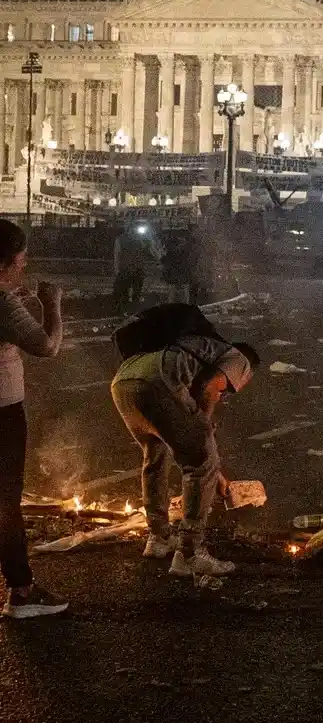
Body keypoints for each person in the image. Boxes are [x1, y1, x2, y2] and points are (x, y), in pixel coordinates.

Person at [110, 328, 258, 577]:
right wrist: (204, 429)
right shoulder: (239, 359)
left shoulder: (200, 351)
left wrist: (213, 468)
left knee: (155, 454)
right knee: (201, 462)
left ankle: (158, 538)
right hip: (159, 382)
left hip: (124, 382)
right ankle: (190, 554)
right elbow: (211, 388)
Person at [0, 221, 67, 618]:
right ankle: (22, 592)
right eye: (20, 261)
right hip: (3, 412)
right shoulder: (3, 305)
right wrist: (51, 305)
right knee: (5, 502)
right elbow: (47, 346)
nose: (23, 267)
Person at [113, 224, 156, 311]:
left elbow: (148, 250)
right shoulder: (123, 239)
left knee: (133, 292)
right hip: (128, 268)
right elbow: (117, 254)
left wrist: (116, 268)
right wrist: (116, 268)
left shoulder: (138, 239)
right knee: (127, 291)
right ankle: (127, 309)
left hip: (133, 268)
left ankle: (129, 310)